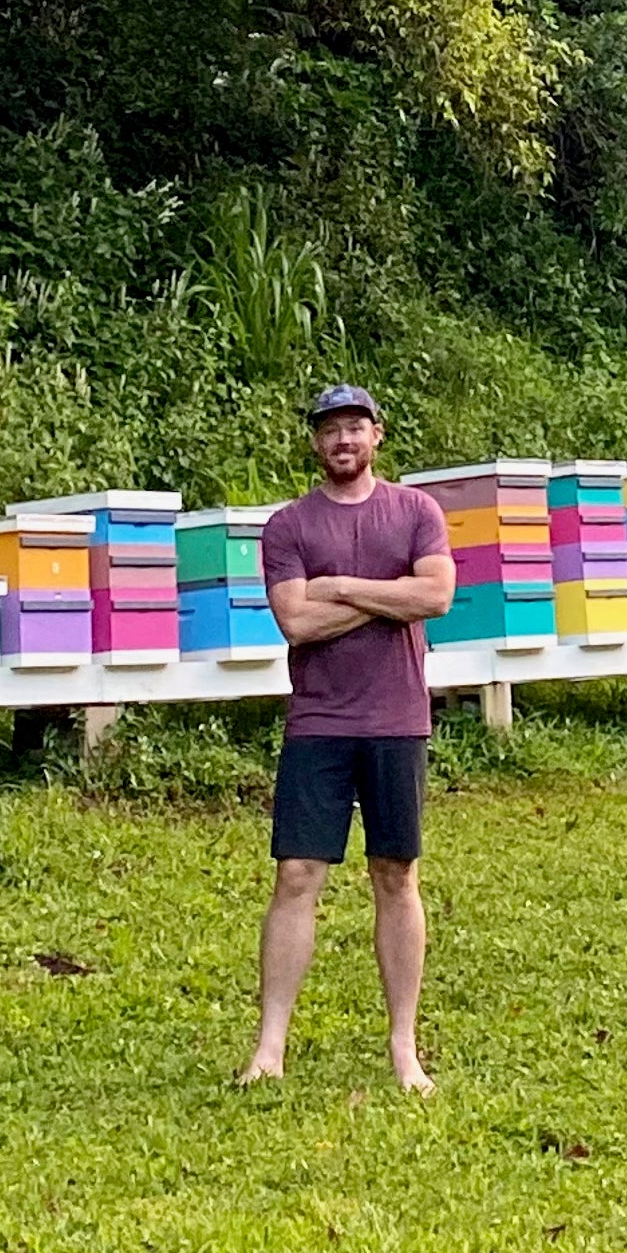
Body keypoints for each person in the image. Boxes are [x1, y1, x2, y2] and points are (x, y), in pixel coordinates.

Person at [239, 384, 454, 1093]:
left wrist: (338, 586)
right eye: (331, 430)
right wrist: (387, 594)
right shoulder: (288, 525)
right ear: (315, 443)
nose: (344, 440)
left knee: (396, 875)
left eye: (355, 428)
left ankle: (403, 1047)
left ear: (378, 436)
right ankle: (269, 1049)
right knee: (296, 877)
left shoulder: (416, 512)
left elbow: (436, 597)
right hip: (319, 724)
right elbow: (295, 624)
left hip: (398, 720)